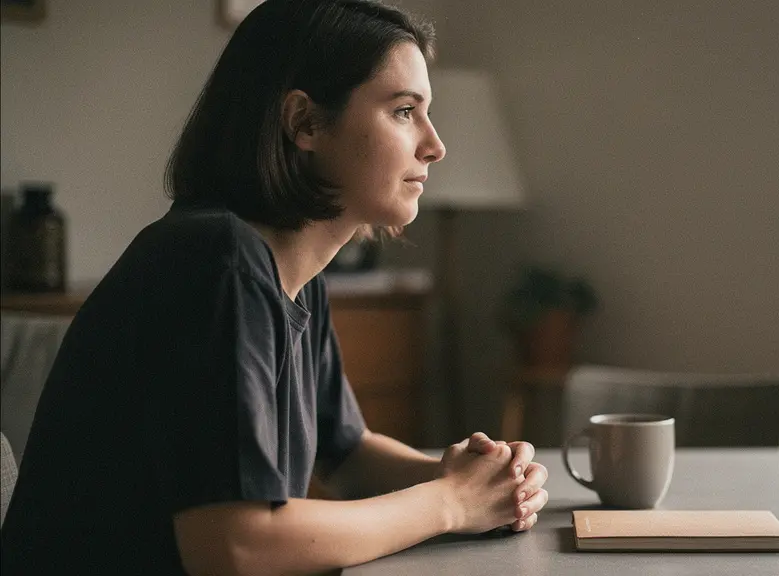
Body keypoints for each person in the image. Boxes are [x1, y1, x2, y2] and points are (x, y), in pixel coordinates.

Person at [0, 1, 549, 574]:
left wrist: (473, 481)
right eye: (404, 111)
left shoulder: (291, 273)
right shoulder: (216, 261)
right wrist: (449, 503)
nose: (434, 146)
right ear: (304, 123)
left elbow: (349, 454)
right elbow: (235, 543)